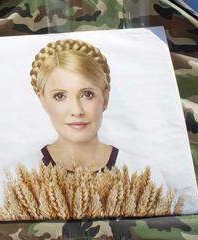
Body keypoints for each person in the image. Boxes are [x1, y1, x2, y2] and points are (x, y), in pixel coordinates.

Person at [28, 39, 166, 182]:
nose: (77, 111)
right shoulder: (15, 178)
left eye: (87, 95)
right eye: (60, 96)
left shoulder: (143, 174)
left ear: (105, 98)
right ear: (43, 101)